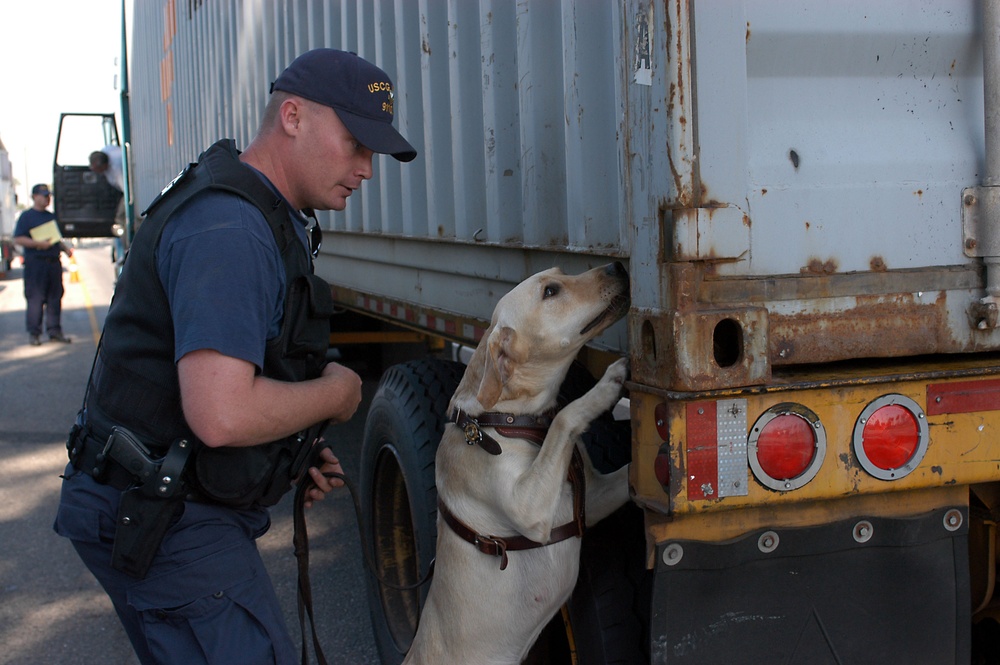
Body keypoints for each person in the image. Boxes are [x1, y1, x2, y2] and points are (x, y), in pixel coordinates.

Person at [54, 48, 417, 665]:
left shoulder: (245, 207)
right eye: (356, 143)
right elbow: (220, 413)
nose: (366, 169)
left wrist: (286, 450)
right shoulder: (231, 229)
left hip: (155, 498)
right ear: (294, 116)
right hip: (168, 521)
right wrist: (337, 394)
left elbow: (220, 386)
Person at [12, 183, 74, 345]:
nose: (47, 198)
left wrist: (65, 249)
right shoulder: (26, 217)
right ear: (34, 197)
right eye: (44, 195)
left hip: (53, 263)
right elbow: (18, 238)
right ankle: (34, 333)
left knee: (55, 297)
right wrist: (37, 243)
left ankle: (55, 331)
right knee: (35, 299)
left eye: (48, 196)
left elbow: (55, 239)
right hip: (36, 264)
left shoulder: (50, 217)